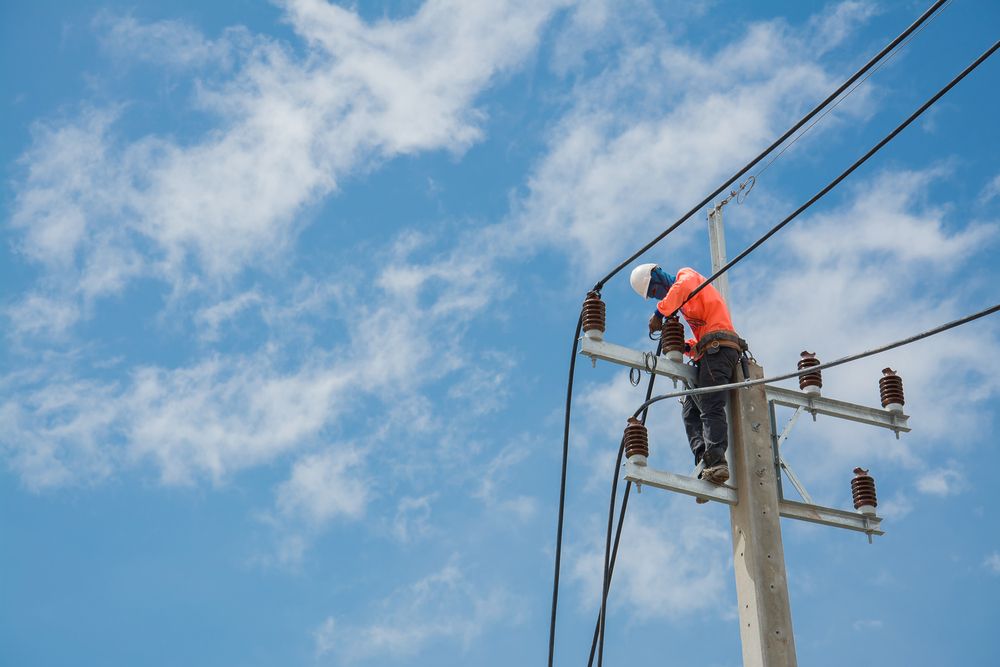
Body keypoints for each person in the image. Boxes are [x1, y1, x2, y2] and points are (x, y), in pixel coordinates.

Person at [629, 263, 745, 489]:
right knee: (690, 411)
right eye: (653, 297)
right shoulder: (687, 304)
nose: (657, 297)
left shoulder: (687, 277)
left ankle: (718, 459)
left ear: (659, 276)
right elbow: (699, 337)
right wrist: (684, 346)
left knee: (711, 405)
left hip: (719, 350)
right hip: (709, 350)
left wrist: (658, 313)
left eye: (655, 291)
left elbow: (680, 289)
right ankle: (706, 460)